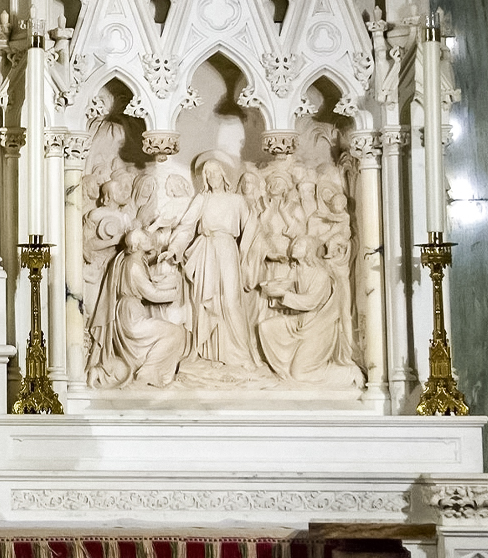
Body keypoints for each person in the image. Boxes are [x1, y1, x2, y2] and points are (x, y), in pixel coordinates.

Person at [165, 156, 260, 369]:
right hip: (207, 250)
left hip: (227, 249)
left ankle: (242, 354)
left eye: (215, 171)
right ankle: (213, 354)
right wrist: (174, 248)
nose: (211, 176)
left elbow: (251, 225)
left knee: (231, 301)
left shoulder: (236, 200)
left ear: (223, 174)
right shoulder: (202, 200)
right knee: (208, 304)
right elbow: (186, 227)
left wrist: (243, 252)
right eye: (207, 173)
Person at [88, 228, 188, 388]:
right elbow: (151, 293)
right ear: (138, 245)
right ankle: (148, 375)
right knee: (175, 333)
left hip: (129, 311)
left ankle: (144, 372)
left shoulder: (131, 260)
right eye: (146, 238)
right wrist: (175, 293)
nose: (150, 239)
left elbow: (146, 284)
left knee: (164, 337)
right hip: (131, 315)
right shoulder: (134, 264)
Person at [256, 235, 350, 380]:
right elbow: (292, 297)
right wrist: (277, 294)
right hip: (300, 323)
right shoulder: (297, 271)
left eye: (299, 245)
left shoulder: (321, 274)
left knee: (299, 374)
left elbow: (310, 301)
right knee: (267, 327)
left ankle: (348, 374)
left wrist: (284, 294)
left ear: (309, 250)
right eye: (294, 244)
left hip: (319, 327)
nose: (294, 247)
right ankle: (281, 370)